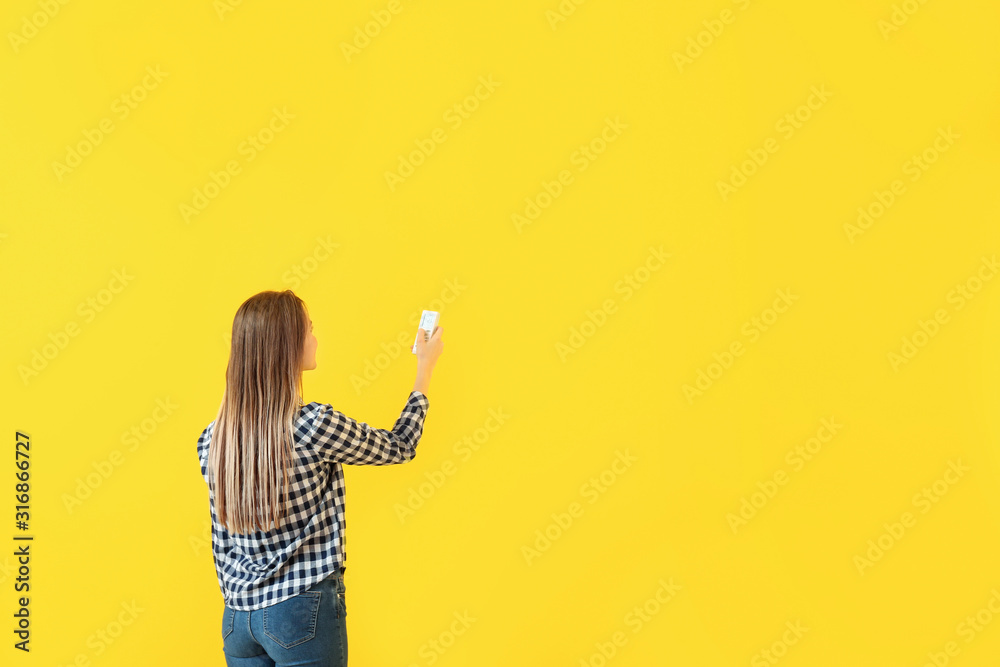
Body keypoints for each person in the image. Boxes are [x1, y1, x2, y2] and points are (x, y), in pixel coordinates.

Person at [196, 290, 444, 666]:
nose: (314, 337)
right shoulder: (314, 425)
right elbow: (401, 446)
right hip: (300, 612)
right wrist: (423, 370)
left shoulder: (212, 440)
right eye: (308, 329)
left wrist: (240, 599)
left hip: (238, 620)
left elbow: (220, 537)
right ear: (289, 345)